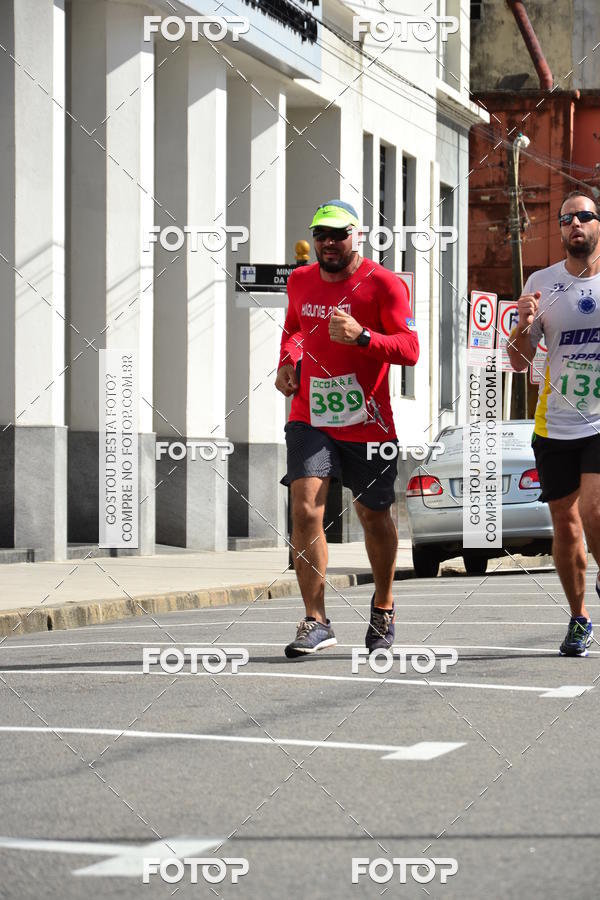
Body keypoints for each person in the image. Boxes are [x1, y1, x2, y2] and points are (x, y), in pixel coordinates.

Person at [274, 199, 419, 658]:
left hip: (368, 423)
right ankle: (315, 619)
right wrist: (287, 361)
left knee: (373, 515)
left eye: (338, 235)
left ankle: (384, 605)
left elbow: (410, 348)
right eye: (321, 235)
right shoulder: (300, 280)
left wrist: (363, 337)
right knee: (305, 509)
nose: (328, 243)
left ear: (356, 236)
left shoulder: (385, 284)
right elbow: (294, 329)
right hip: (310, 415)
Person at [508, 189, 600, 656]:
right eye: (567, 219)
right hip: (556, 422)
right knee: (565, 524)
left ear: (598, 223)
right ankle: (579, 618)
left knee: (594, 511)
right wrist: (522, 326)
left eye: (584, 216)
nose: (575, 225)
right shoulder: (541, 283)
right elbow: (519, 362)